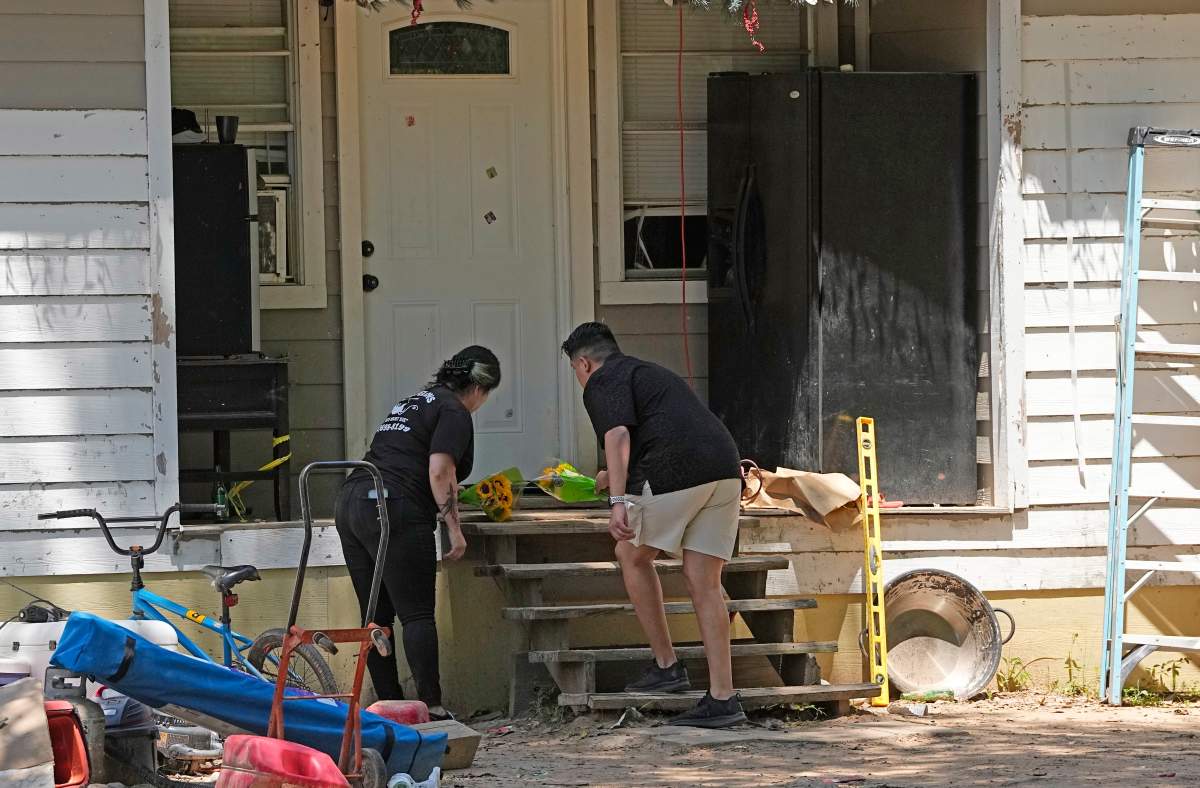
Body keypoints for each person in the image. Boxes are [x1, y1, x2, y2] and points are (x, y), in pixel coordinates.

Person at [561, 322, 747, 728]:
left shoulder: (602, 380)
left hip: (678, 472)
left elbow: (618, 435)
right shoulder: (646, 373)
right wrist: (616, 475)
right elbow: (666, 431)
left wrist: (617, 502)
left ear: (584, 363)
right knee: (703, 578)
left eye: (575, 371)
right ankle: (722, 698)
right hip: (725, 470)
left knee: (630, 552)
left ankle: (666, 666)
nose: (578, 378)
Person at [334, 346, 501, 720]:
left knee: (375, 616)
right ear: (479, 387)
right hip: (392, 506)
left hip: (352, 501)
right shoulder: (454, 411)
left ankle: (388, 707)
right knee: (418, 615)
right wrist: (454, 530)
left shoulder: (413, 403)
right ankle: (431, 708)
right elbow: (440, 471)